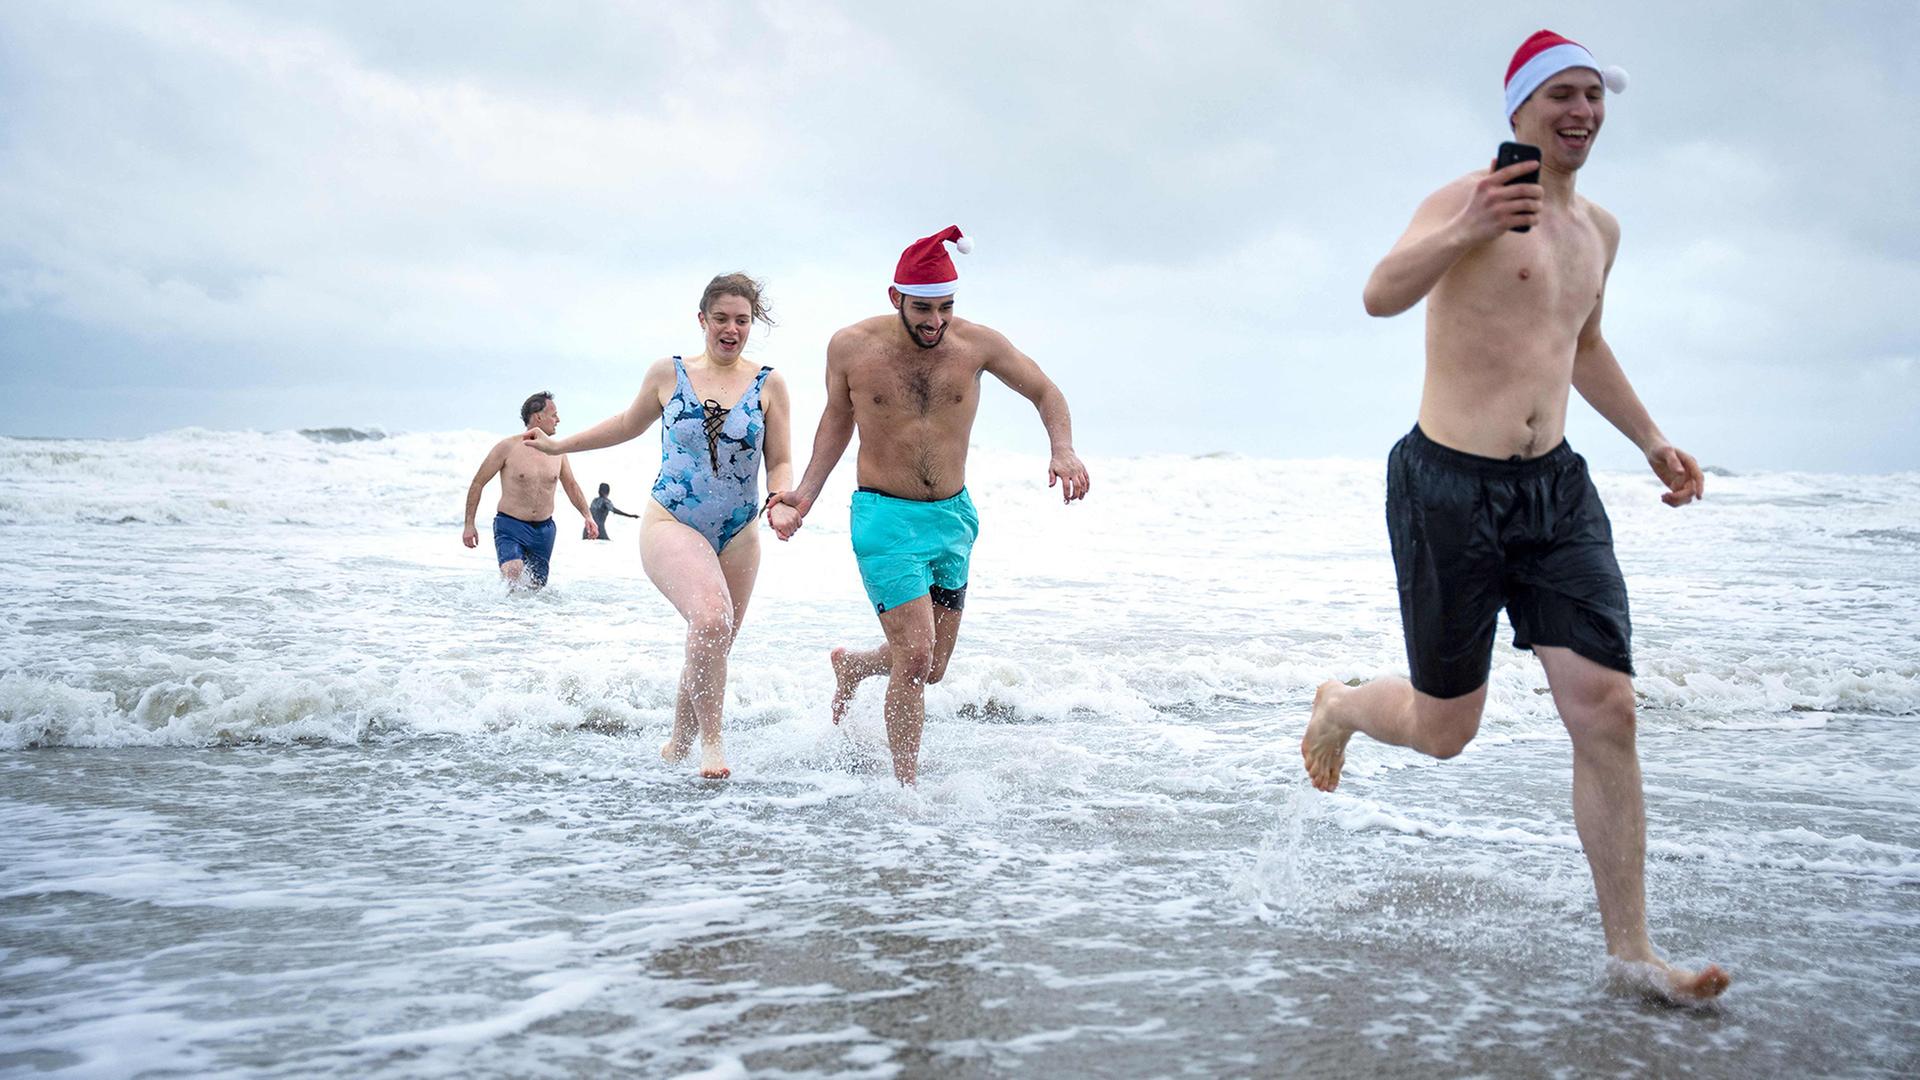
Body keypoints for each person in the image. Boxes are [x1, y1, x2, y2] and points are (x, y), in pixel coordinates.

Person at [1299, 31, 1727, 1004]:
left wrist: (1653, 440)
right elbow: (1378, 295)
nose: (1582, 111)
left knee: (1607, 710)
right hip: (1447, 485)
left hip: (1556, 494)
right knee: (1447, 731)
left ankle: (1632, 953)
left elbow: (1584, 344)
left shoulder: (1599, 232)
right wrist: (1468, 229)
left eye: (1593, 96)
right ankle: (1343, 705)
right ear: (1521, 111)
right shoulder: (1467, 201)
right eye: (1562, 95)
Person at [767, 227, 1091, 786]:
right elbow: (838, 420)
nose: (934, 321)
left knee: (932, 668)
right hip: (883, 518)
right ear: (895, 298)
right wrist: (805, 496)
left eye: (945, 307)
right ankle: (906, 794)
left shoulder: (978, 344)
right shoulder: (851, 346)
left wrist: (1061, 448)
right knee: (915, 659)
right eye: (922, 308)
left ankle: (854, 665)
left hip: (953, 520)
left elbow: (1046, 391)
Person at [525, 274, 793, 780]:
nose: (731, 328)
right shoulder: (667, 374)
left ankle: (677, 743)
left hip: (738, 532)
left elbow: (779, 460)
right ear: (702, 320)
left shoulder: (770, 383)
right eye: (721, 318)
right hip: (671, 519)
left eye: (741, 320)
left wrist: (782, 499)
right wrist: (559, 447)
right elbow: (626, 424)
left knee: (712, 639)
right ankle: (712, 747)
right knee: (711, 622)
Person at [462, 391, 596, 589]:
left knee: (536, 590)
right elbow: (478, 483)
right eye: (554, 415)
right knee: (513, 574)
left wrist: (587, 516)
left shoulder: (557, 451)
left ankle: (527, 621)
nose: (558, 419)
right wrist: (469, 524)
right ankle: (500, 615)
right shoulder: (507, 447)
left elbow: (571, 485)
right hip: (510, 526)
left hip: (544, 530)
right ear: (538, 416)